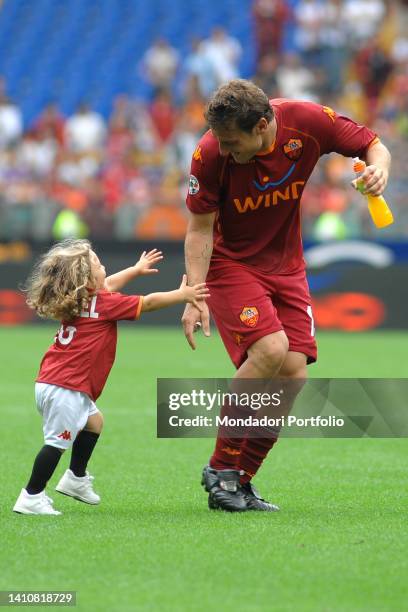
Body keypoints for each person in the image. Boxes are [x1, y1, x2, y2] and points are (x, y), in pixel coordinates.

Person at [182, 79, 391, 512]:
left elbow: (373, 144)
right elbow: (200, 229)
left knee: (293, 375)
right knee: (270, 350)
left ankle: (242, 479)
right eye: (220, 140)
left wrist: (378, 168)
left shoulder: (309, 123)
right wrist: (193, 295)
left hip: (287, 265)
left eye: (232, 141)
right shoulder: (208, 154)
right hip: (230, 263)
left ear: (262, 126)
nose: (224, 149)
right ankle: (220, 468)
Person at [13, 240, 209, 515]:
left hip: (53, 381)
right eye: (97, 264)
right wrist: (182, 294)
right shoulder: (103, 303)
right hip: (66, 387)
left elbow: (110, 285)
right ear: (87, 280)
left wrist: (135, 269)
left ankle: (75, 479)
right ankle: (31, 496)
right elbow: (148, 302)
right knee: (57, 443)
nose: (102, 265)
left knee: (94, 422)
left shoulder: (82, 299)